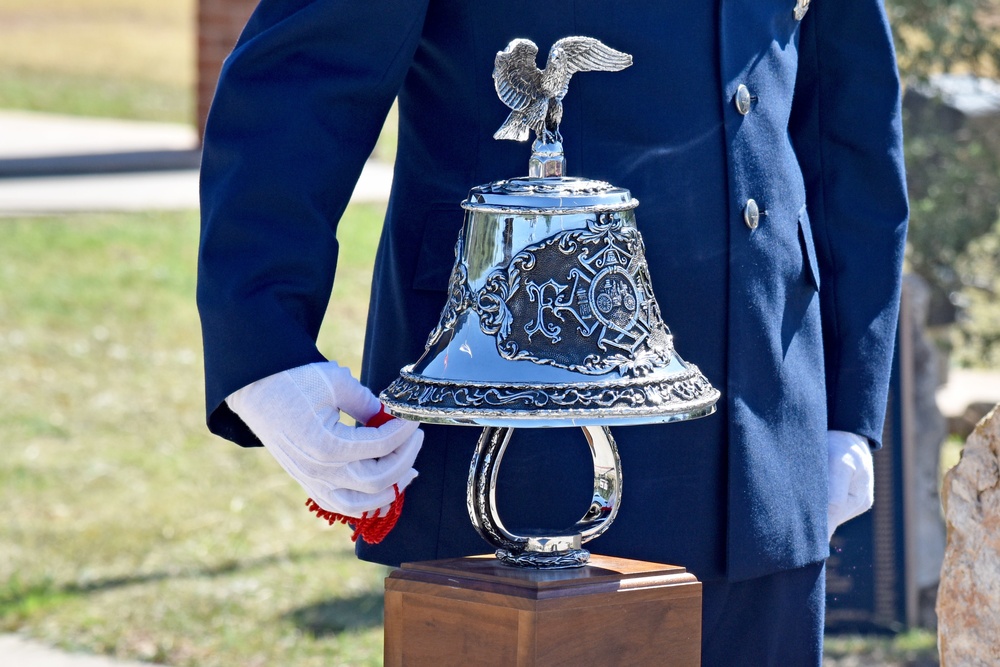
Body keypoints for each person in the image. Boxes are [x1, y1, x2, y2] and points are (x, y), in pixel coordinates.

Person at [197, 1, 907, 663]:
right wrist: (264, 344)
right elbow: (304, 79)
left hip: (766, 432)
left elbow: (848, 121)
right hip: (513, 422)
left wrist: (849, 402)